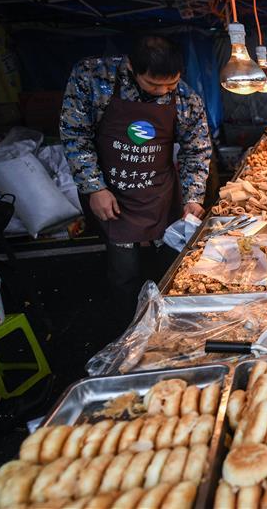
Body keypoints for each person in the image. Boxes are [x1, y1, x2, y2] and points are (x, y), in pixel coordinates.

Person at [60, 34, 212, 321]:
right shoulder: (93, 78)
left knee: (170, 266)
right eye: (153, 84)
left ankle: (169, 328)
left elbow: (196, 149)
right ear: (131, 66)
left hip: (159, 192)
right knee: (124, 272)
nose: (163, 91)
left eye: (171, 84)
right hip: (113, 194)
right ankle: (127, 332)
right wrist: (94, 188)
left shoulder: (185, 98)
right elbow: (75, 135)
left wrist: (193, 197)